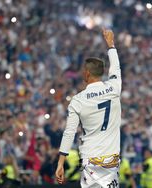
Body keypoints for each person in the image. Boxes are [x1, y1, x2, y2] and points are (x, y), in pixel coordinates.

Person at [55, 29, 122, 188]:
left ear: (86, 73)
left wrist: (61, 162)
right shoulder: (114, 88)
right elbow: (116, 68)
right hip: (110, 159)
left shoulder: (78, 100)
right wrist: (111, 46)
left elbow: (69, 132)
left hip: (90, 159)